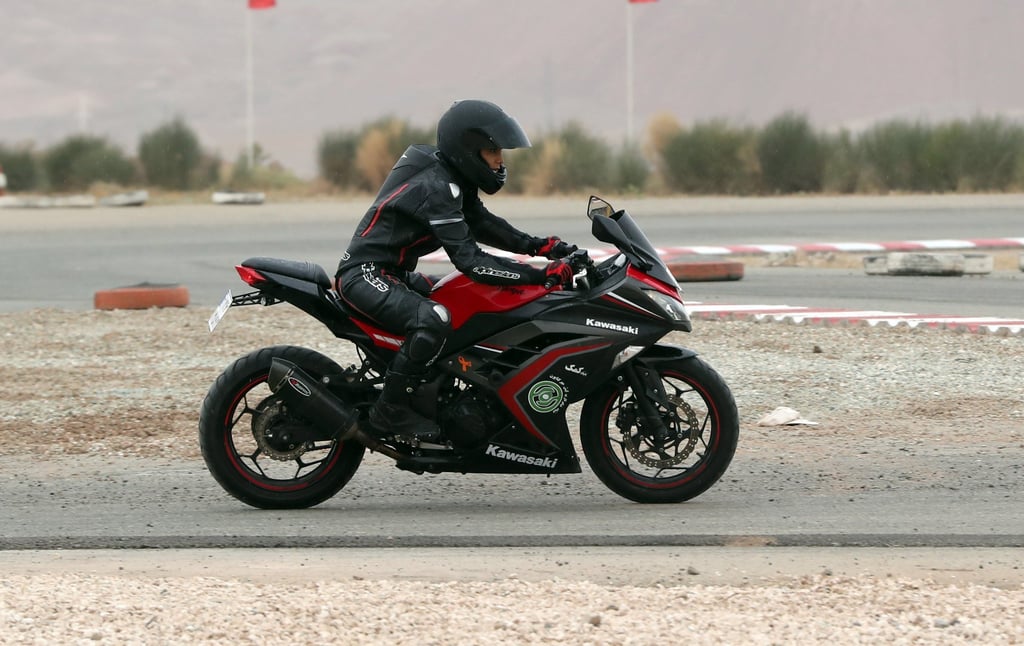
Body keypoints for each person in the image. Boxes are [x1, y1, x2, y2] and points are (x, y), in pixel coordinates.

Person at [335, 99, 577, 441]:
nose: (500, 159)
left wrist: (541, 246)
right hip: (366, 275)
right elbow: (471, 260)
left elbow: (484, 224)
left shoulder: (452, 179)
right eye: (492, 150)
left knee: (461, 296)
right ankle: (390, 411)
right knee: (434, 318)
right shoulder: (436, 187)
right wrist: (541, 275)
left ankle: (436, 394)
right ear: (468, 149)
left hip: (394, 273)